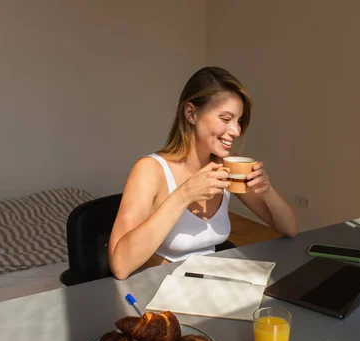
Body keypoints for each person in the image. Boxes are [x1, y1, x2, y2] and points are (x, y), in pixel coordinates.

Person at [108, 66, 297, 280]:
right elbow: (120, 265)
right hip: (161, 291)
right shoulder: (150, 170)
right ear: (191, 113)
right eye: (226, 119)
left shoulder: (226, 168)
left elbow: (289, 228)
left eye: (239, 121)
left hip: (210, 287)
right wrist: (185, 194)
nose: (235, 131)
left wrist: (267, 189)